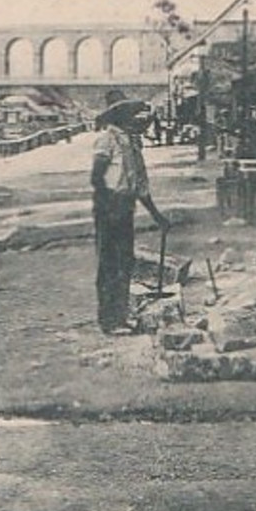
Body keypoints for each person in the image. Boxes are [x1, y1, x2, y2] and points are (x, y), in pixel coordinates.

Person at [92, 91, 171, 334]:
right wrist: (108, 207)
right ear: (122, 118)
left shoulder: (133, 143)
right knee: (109, 264)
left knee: (125, 262)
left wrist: (157, 216)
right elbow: (97, 177)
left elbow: (139, 185)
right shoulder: (108, 140)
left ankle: (121, 315)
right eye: (132, 116)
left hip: (125, 207)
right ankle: (109, 320)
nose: (138, 121)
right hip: (110, 208)